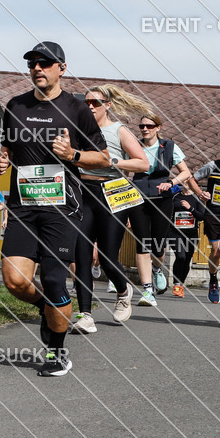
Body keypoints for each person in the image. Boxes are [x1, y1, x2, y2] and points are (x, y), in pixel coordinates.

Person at [0, 41, 109, 376]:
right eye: (32, 63)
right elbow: (7, 146)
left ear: (62, 67)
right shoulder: (16, 105)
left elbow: (103, 158)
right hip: (23, 205)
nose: (37, 69)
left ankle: (57, 352)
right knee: (14, 281)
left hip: (62, 207)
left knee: (54, 279)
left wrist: (73, 155)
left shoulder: (76, 109)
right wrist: (4, 159)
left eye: (44, 63)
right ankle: (48, 308)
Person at [69, 85, 150, 334]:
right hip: (83, 192)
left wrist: (114, 161)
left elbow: (143, 164)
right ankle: (85, 315)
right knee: (81, 255)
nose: (90, 107)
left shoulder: (118, 130)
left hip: (112, 192)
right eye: (86, 103)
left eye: (95, 102)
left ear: (108, 105)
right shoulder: (76, 129)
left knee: (106, 256)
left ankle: (123, 292)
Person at [128, 112, 193, 306]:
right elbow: (123, 171)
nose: (145, 129)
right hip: (139, 198)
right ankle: (147, 290)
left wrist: (171, 183)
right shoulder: (133, 145)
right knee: (142, 244)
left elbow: (186, 172)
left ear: (158, 128)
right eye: (142, 126)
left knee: (158, 246)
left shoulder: (169, 146)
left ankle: (156, 269)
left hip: (162, 200)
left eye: (149, 126)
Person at [188, 137, 220, 303]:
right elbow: (191, 179)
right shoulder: (213, 166)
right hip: (213, 215)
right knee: (216, 252)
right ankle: (213, 280)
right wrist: (200, 193)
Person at [170, 182, 207, 299]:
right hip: (175, 232)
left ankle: (181, 284)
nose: (185, 183)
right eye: (184, 181)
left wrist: (190, 208)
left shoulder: (197, 198)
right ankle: (176, 284)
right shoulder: (175, 196)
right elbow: (167, 213)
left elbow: (202, 216)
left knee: (187, 259)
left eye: (188, 181)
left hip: (191, 234)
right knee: (180, 256)